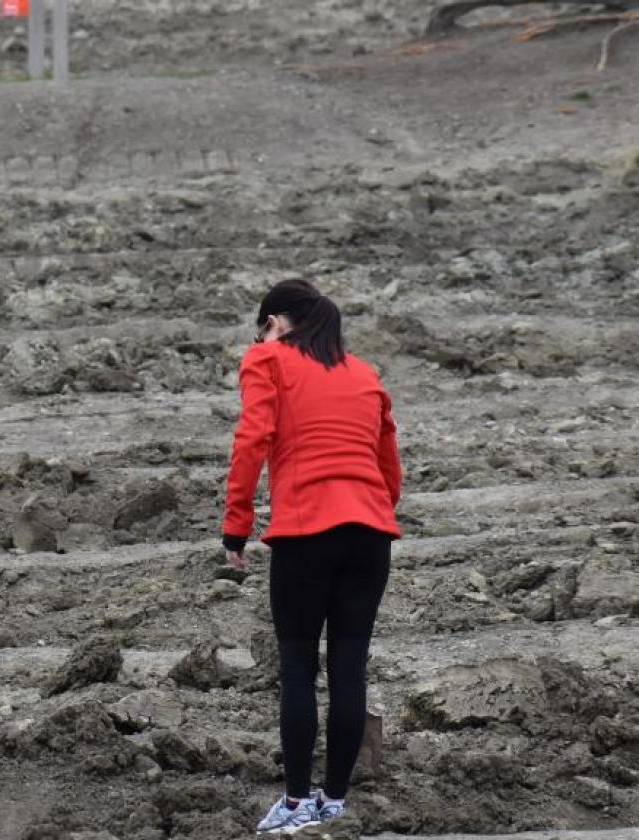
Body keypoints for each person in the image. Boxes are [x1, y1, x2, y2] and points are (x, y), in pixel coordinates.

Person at [221, 279, 402, 835]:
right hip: (370, 532)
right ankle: (335, 800)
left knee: (299, 667)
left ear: (275, 321)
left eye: (263, 326)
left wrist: (236, 529)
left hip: (305, 533)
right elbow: (387, 456)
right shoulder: (364, 372)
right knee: (350, 666)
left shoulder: (267, 359)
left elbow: (253, 440)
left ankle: (297, 804)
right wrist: (374, 507)